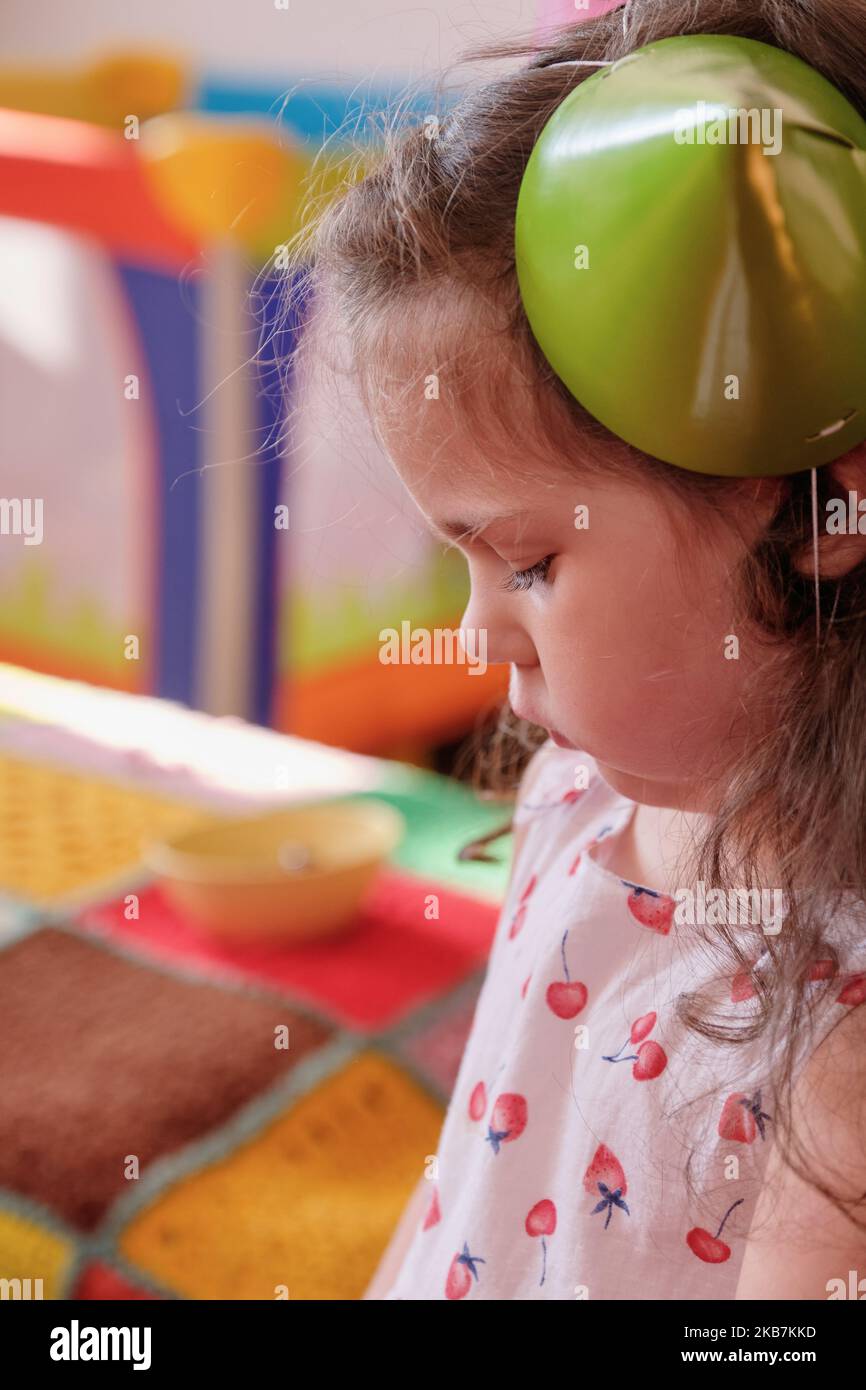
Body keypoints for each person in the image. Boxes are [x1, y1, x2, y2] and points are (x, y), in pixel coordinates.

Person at [296, 0, 866, 1299]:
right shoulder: (581, 794)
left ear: (820, 507)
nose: (470, 630)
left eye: (529, 561)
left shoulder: (836, 1036)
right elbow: (466, 1190)